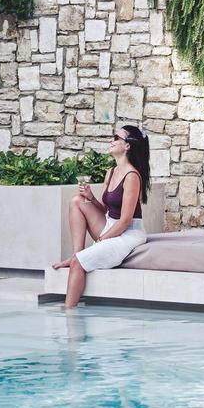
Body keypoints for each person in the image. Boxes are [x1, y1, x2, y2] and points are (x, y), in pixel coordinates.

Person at [54, 125, 150, 308]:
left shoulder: (132, 176)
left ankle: (69, 314)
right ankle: (77, 252)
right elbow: (106, 208)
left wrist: (102, 239)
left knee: (77, 263)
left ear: (127, 146)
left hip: (128, 232)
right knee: (77, 201)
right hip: (111, 225)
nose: (111, 141)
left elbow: (125, 221)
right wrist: (91, 198)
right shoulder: (111, 172)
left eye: (116, 138)